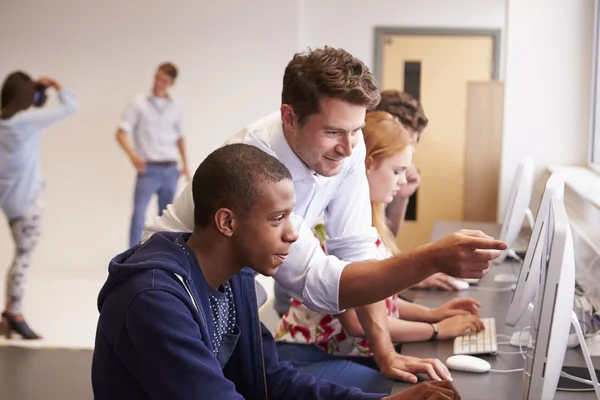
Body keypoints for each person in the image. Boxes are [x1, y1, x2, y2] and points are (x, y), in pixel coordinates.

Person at [143, 46, 507, 382]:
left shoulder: (348, 142)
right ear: (289, 117)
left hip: (234, 289)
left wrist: (385, 354)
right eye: (333, 131)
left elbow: (357, 251)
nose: (349, 148)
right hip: (178, 286)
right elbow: (321, 285)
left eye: (356, 130)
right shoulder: (257, 164)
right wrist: (432, 258)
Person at [91, 143, 462, 400]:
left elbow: (271, 379)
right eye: (277, 219)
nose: (292, 233)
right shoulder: (153, 300)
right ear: (226, 222)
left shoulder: (233, 278)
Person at [274, 112, 484, 393]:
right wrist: (437, 330)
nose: (400, 184)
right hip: (305, 360)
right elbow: (356, 323)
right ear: (368, 164)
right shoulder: (331, 231)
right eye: (396, 171)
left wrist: (432, 314)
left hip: (340, 352)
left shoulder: (368, 227)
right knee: (418, 388)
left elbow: (380, 303)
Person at [0, 72, 78, 339]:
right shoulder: (26, 121)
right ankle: (14, 314)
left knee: (19, 255)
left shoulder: (5, 122)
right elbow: (71, 107)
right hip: (29, 201)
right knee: (23, 257)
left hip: (9, 203)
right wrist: (58, 86)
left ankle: (9, 313)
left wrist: (35, 94)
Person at [374, 90, 462, 292]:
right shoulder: (368, 178)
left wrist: (402, 197)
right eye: (404, 142)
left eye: (413, 143)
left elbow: (384, 245)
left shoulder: (388, 178)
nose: (409, 152)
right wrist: (411, 277)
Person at [115, 62, 190, 248]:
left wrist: (185, 165)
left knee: (168, 220)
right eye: (157, 77)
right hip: (148, 168)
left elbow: (180, 137)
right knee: (139, 215)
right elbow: (121, 133)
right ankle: (131, 258)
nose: (159, 83)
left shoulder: (175, 107)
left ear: (171, 83)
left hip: (170, 169)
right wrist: (133, 156)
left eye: (164, 80)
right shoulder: (139, 103)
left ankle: (162, 257)